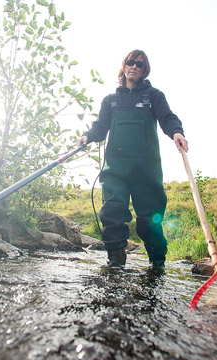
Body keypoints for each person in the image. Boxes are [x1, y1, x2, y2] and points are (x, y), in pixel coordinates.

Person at [76, 49, 188, 268]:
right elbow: (100, 128)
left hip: (146, 170)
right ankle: (115, 262)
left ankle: (157, 263)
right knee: (112, 212)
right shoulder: (110, 101)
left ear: (144, 71)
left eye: (139, 64)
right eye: (131, 62)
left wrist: (177, 132)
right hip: (115, 170)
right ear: (124, 66)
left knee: (149, 221)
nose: (134, 66)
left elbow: (167, 117)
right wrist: (87, 136)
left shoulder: (154, 96)